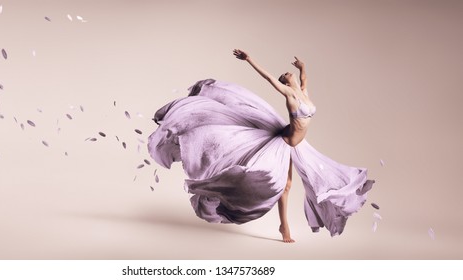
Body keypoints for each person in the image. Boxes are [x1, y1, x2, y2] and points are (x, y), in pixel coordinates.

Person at [147, 49, 375, 243]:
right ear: (286, 82)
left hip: (300, 144)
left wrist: (303, 66)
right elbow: (268, 78)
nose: (287, 74)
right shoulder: (290, 95)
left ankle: (293, 222)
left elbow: (305, 78)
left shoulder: (302, 91)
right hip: (285, 141)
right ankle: (284, 226)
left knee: (318, 180)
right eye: (286, 76)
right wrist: (249, 59)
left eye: (288, 73)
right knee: (282, 185)